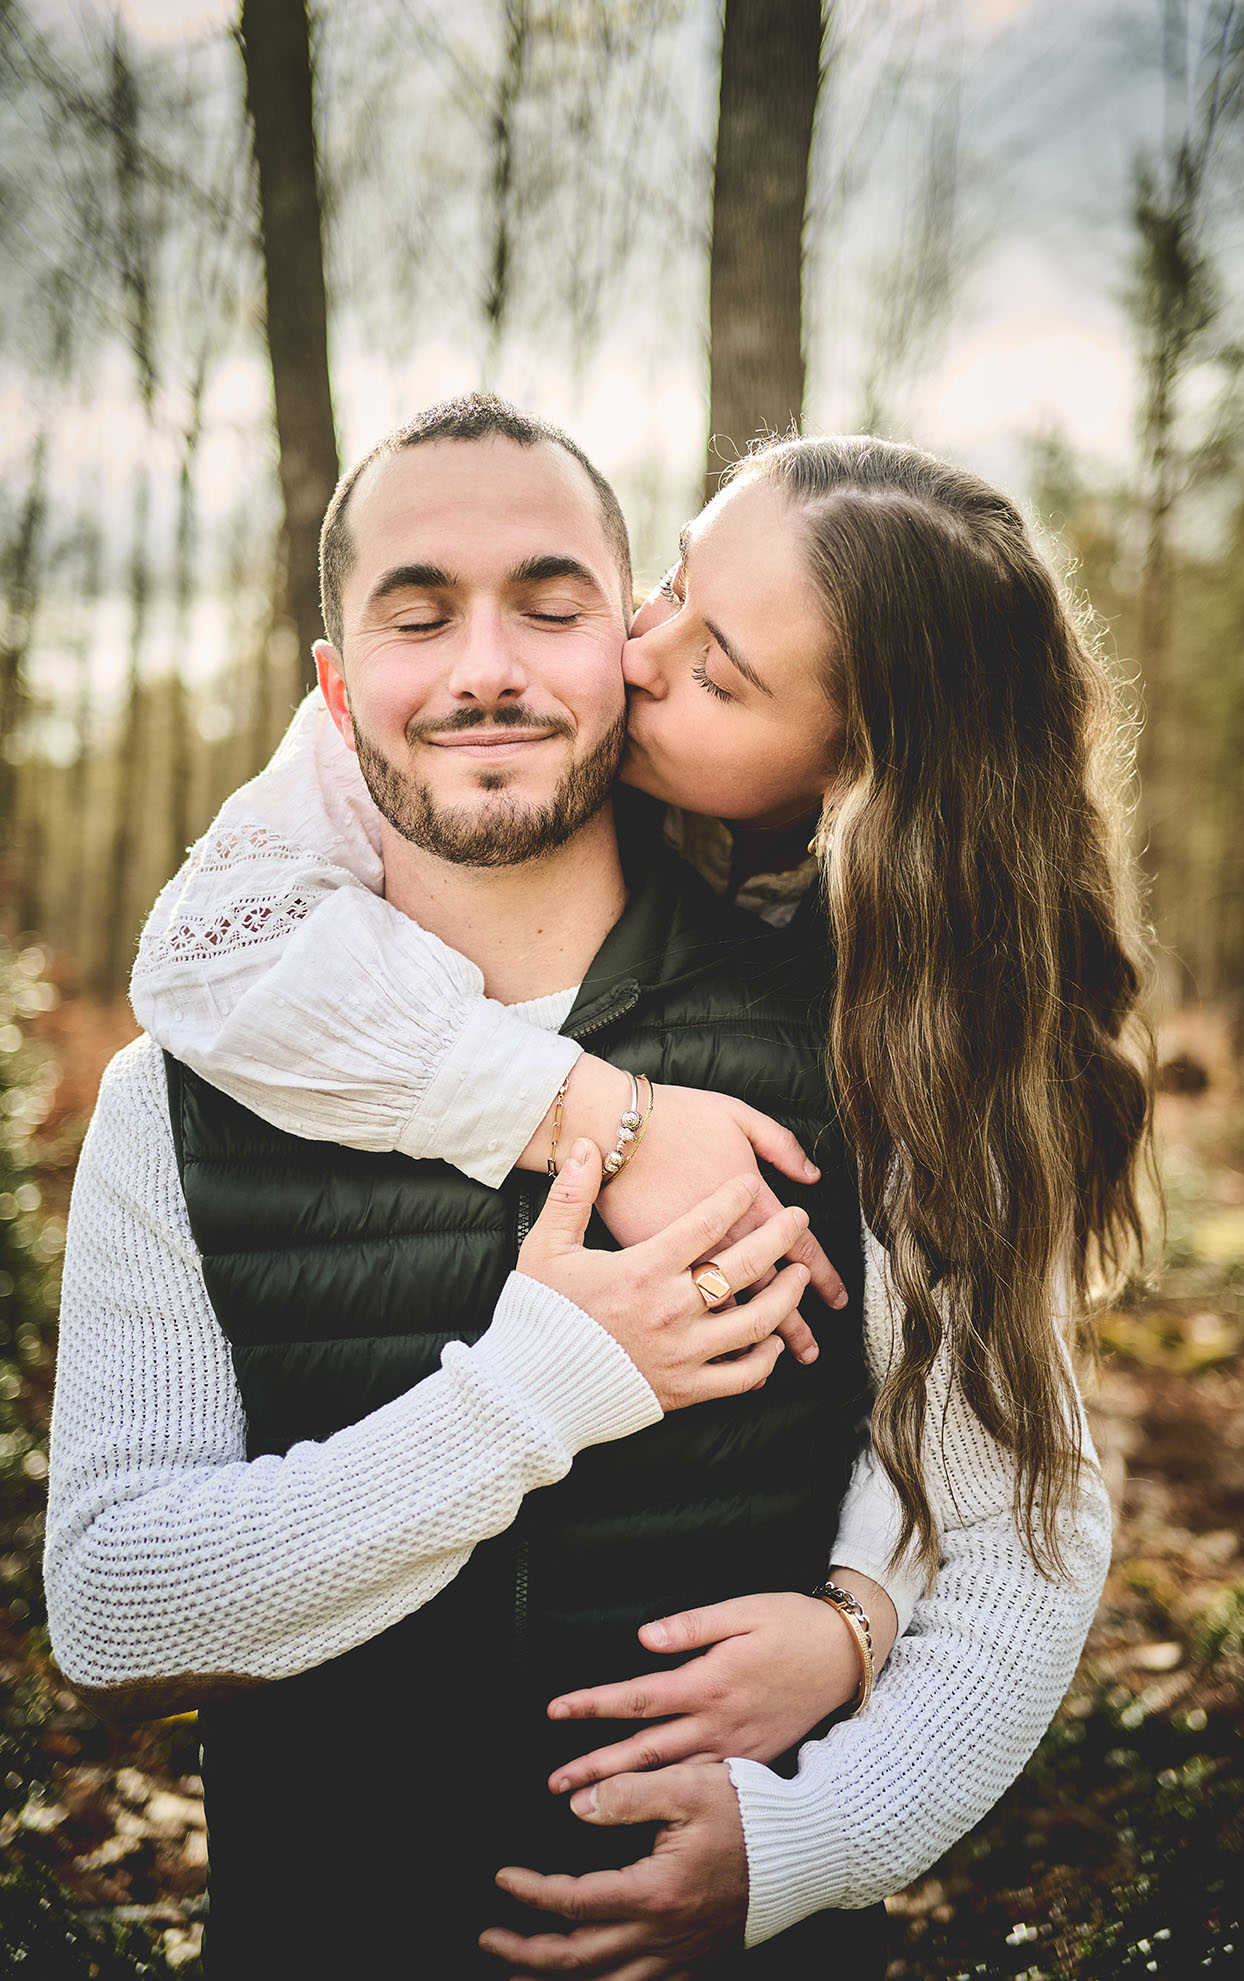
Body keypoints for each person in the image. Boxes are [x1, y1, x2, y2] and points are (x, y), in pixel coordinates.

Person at [46, 397, 1141, 1975]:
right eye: (419, 612)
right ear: (336, 689)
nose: (490, 665)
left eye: (555, 605)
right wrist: (533, 1389)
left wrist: (815, 1819)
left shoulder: (878, 1041)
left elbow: (1017, 1519)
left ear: (619, 643)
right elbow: (112, 1609)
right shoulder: (180, 1092)